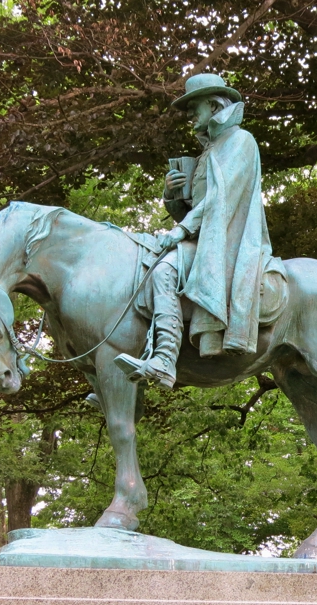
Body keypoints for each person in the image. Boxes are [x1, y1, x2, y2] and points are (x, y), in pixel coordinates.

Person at [114, 74, 277, 389]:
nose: (190, 115)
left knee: (163, 271)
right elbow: (198, 210)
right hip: (205, 241)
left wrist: (180, 230)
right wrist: (172, 196)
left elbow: (222, 200)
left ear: (214, 105)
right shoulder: (209, 150)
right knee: (141, 264)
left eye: (194, 107)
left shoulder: (241, 141)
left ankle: (164, 359)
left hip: (229, 244)